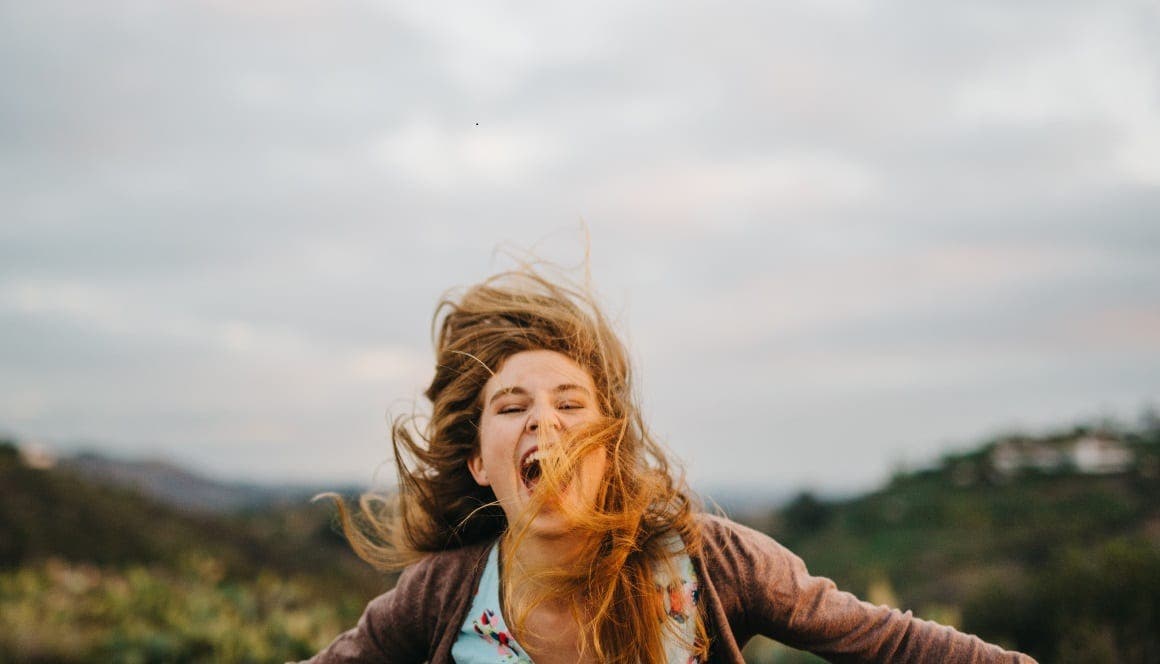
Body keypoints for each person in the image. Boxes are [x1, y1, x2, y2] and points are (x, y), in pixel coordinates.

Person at [304, 266, 1036, 664]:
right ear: (477, 462)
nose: (543, 421)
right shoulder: (442, 596)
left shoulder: (708, 563)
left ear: (610, 444)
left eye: (570, 403)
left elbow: (891, 642)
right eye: (512, 406)